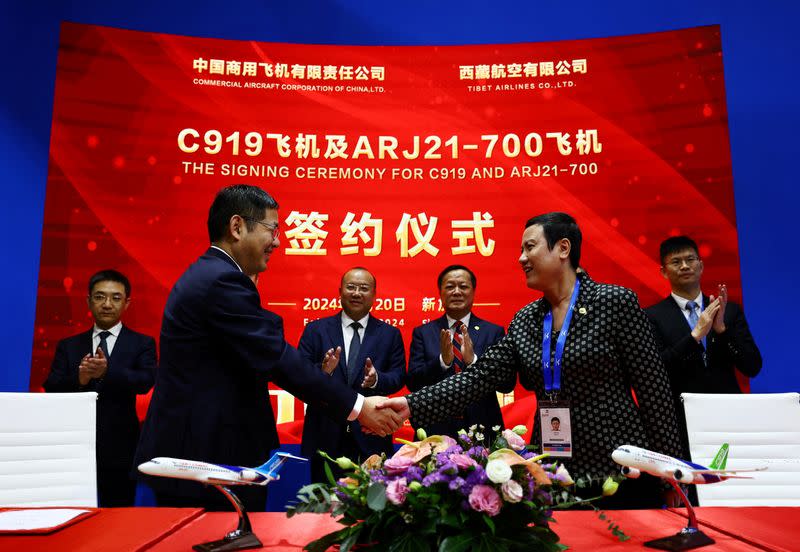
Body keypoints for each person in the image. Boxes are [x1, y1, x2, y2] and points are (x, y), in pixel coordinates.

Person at [380, 213, 683, 509]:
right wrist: (410, 405)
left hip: (619, 468)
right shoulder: (526, 319)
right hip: (550, 468)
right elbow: (479, 376)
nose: (521, 258)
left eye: (530, 247)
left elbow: (654, 392)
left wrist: (671, 476)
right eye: (521, 250)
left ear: (563, 248)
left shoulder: (615, 303)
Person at [134, 184, 402, 511]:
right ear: (237, 227)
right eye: (272, 229)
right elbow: (276, 356)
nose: (277, 241)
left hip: (214, 456)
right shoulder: (221, 281)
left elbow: (260, 342)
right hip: (206, 462)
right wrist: (359, 407)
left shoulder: (217, 276)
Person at [44, 269, 156, 507]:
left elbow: (146, 381)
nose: (107, 304)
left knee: (117, 517)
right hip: (73, 446)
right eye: (99, 297)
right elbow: (51, 386)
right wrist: (80, 379)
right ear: (88, 301)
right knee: (71, 514)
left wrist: (108, 372)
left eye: (116, 298)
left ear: (127, 303)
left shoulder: (142, 343)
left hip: (120, 447)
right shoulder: (69, 346)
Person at [646, 236, 762, 458]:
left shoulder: (728, 311)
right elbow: (656, 371)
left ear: (701, 265)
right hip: (682, 421)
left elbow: (753, 366)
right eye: (676, 261)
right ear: (663, 271)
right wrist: (695, 336)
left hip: (730, 417)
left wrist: (722, 331)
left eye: (690, 259)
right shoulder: (652, 316)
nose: (685, 266)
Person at [299, 267, 406, 482]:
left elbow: (398, 376)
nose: (357, 293)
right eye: (351, 287)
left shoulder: (390, 334)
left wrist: (377, 380)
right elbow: (299, 374)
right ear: (340, 291)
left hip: (371, 434)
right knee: (323, 506)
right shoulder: (316, 330)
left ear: (374, 295)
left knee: (371, 507)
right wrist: (322, 373)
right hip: (326, 433)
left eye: (364, 288)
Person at [406, 264, 513, 444]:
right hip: (435, 429)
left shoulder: (493, 332)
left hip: (483, 429)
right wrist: (442, 361)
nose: (456, 292)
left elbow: (507, 384)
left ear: (473, 291)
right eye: (450, 287)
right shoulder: (423, 333)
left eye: (463, 286)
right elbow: (413, 382)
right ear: (440, 293)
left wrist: (474, 362)